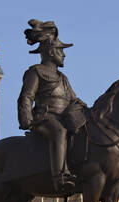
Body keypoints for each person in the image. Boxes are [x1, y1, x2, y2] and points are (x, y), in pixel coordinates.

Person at [17, 19, 87, 192]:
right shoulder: (35, 71)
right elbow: (26, 97)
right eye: (60, 50)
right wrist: (27, 119)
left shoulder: (63, 78)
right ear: (50, 51)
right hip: (45, 118)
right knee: (59, 131)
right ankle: (60, 176)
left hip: (63, 118)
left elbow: (73, 99)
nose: (63, 55)